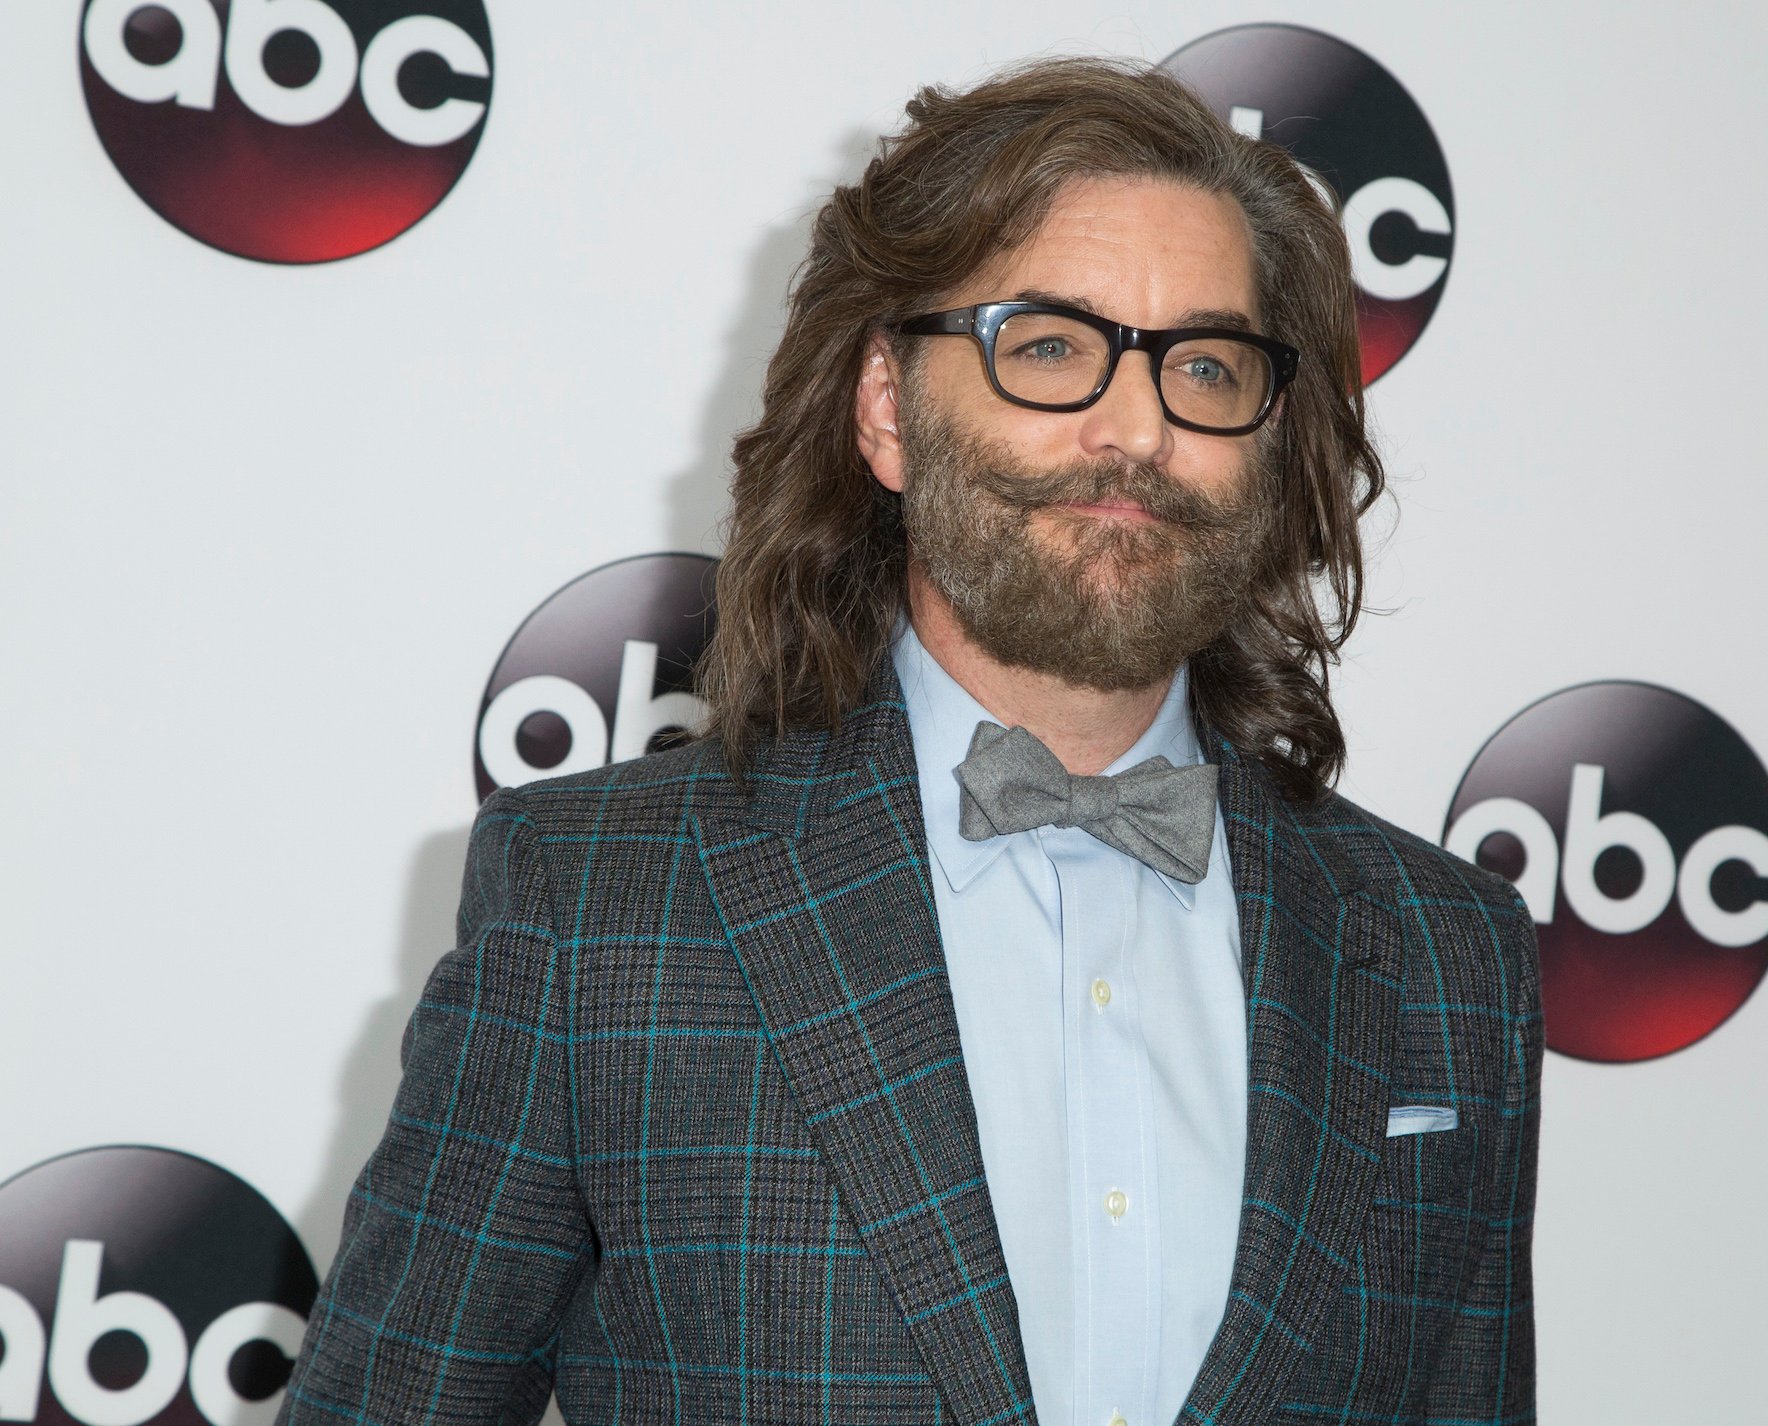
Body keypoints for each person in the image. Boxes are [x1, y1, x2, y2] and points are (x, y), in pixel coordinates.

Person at [277, 56, 1541, 1426]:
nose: (1137, 427)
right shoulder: (595, 913)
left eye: (1206, 366)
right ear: (887, 406)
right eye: (1049, 345)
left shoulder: (1446, 955)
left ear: (1271, 435)